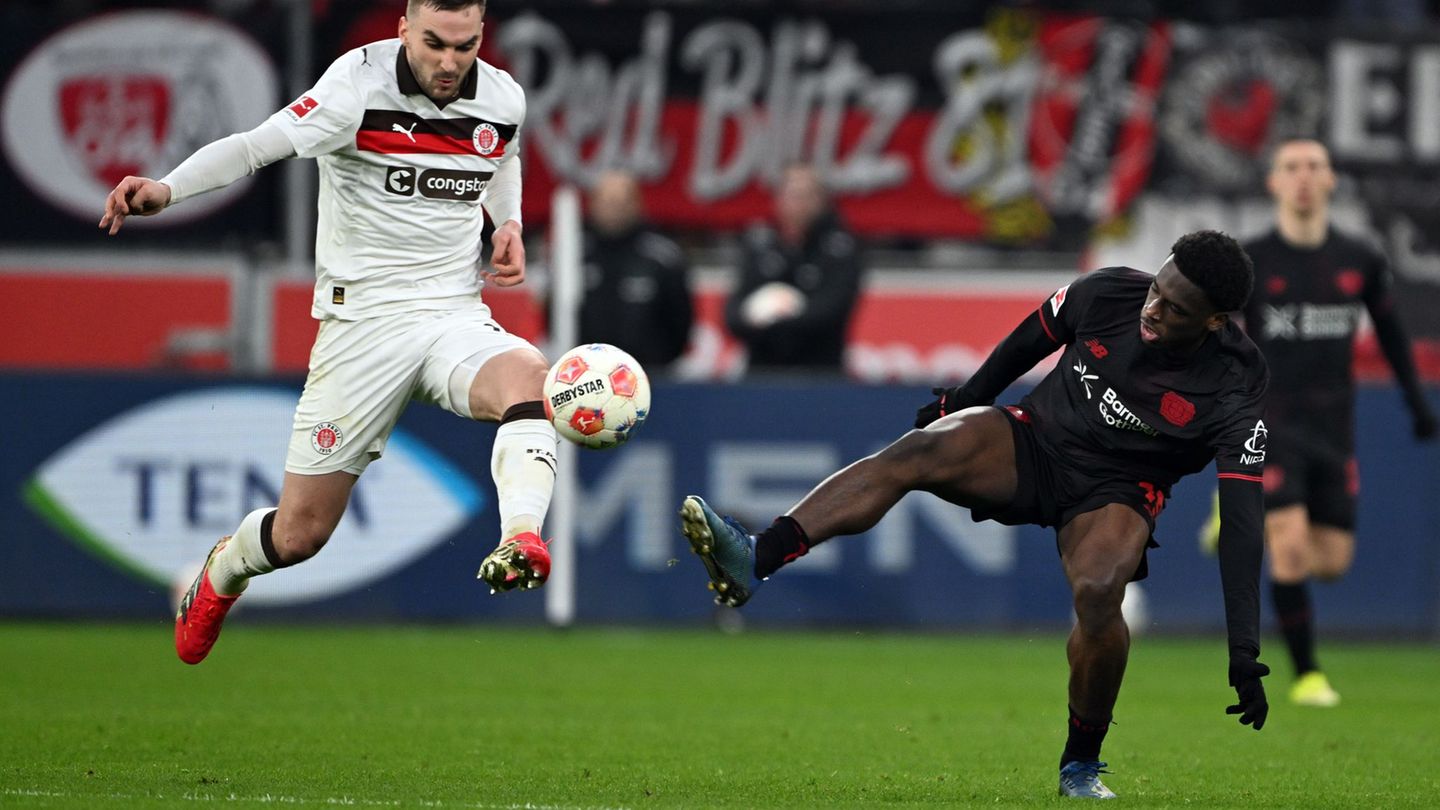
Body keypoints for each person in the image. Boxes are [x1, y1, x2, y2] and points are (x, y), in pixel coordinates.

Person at [681, 231, 1271, 800]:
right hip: (1036, 441)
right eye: (1156, 291)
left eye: (1174, 309)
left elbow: (1243, 520)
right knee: (919, 449)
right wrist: (961, 401)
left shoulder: (1235, 386)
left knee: (1098, 592)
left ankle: (1081, 764)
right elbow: (1027, 342)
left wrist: (1242, 648)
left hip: (1120, 488)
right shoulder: (1110, 291)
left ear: (1214, 321)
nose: (1154, 309)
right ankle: (757, 556)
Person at [100, 0, 559, 666]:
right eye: (434, 43)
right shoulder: (356, 87)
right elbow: (256, 146)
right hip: (361, 327)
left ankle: (521, 538)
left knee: (531, 381)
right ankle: (221, 573)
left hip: (453, 313)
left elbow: (504, 154)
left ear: (481, 35)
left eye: (465, 46)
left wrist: (508, 223)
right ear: (403, 28)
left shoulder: (501, 96)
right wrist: (168, 189)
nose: (449, 61)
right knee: (299, 535)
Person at [1208, 139, 1436, 707]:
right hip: (1269, 422)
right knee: (1287, 550)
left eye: (1315, 167)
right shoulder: (1251, 262)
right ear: (1274, 183)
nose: (1304, 177)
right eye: (1291, 167)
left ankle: (1234, 516)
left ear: (1332, 180)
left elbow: (1390, 335)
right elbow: (1216, 337)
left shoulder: (1361, 259)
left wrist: (1417, 403)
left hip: (1334, 429)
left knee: (1330, 562)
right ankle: (1307, 674)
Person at [724, 164, 864, 373]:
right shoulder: (760, 244)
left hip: (820, 373)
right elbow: (734, 310)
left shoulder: (841, 249)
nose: (798, 204)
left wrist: (777, 319)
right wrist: (753, 318)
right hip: (762, 372)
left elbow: (833, 308)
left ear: (821, 201)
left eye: (805, 196)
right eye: (791, 195)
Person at [576, 169, 694, 369]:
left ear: (637, 204)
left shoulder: (662, 257)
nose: (614, 210)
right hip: (586, 376)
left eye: (620, 202)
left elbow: (681, 322)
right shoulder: (573, 254)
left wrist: (659, 362)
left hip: (650, 375)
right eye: (607, 202)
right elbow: (553, 314)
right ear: (592, 204)